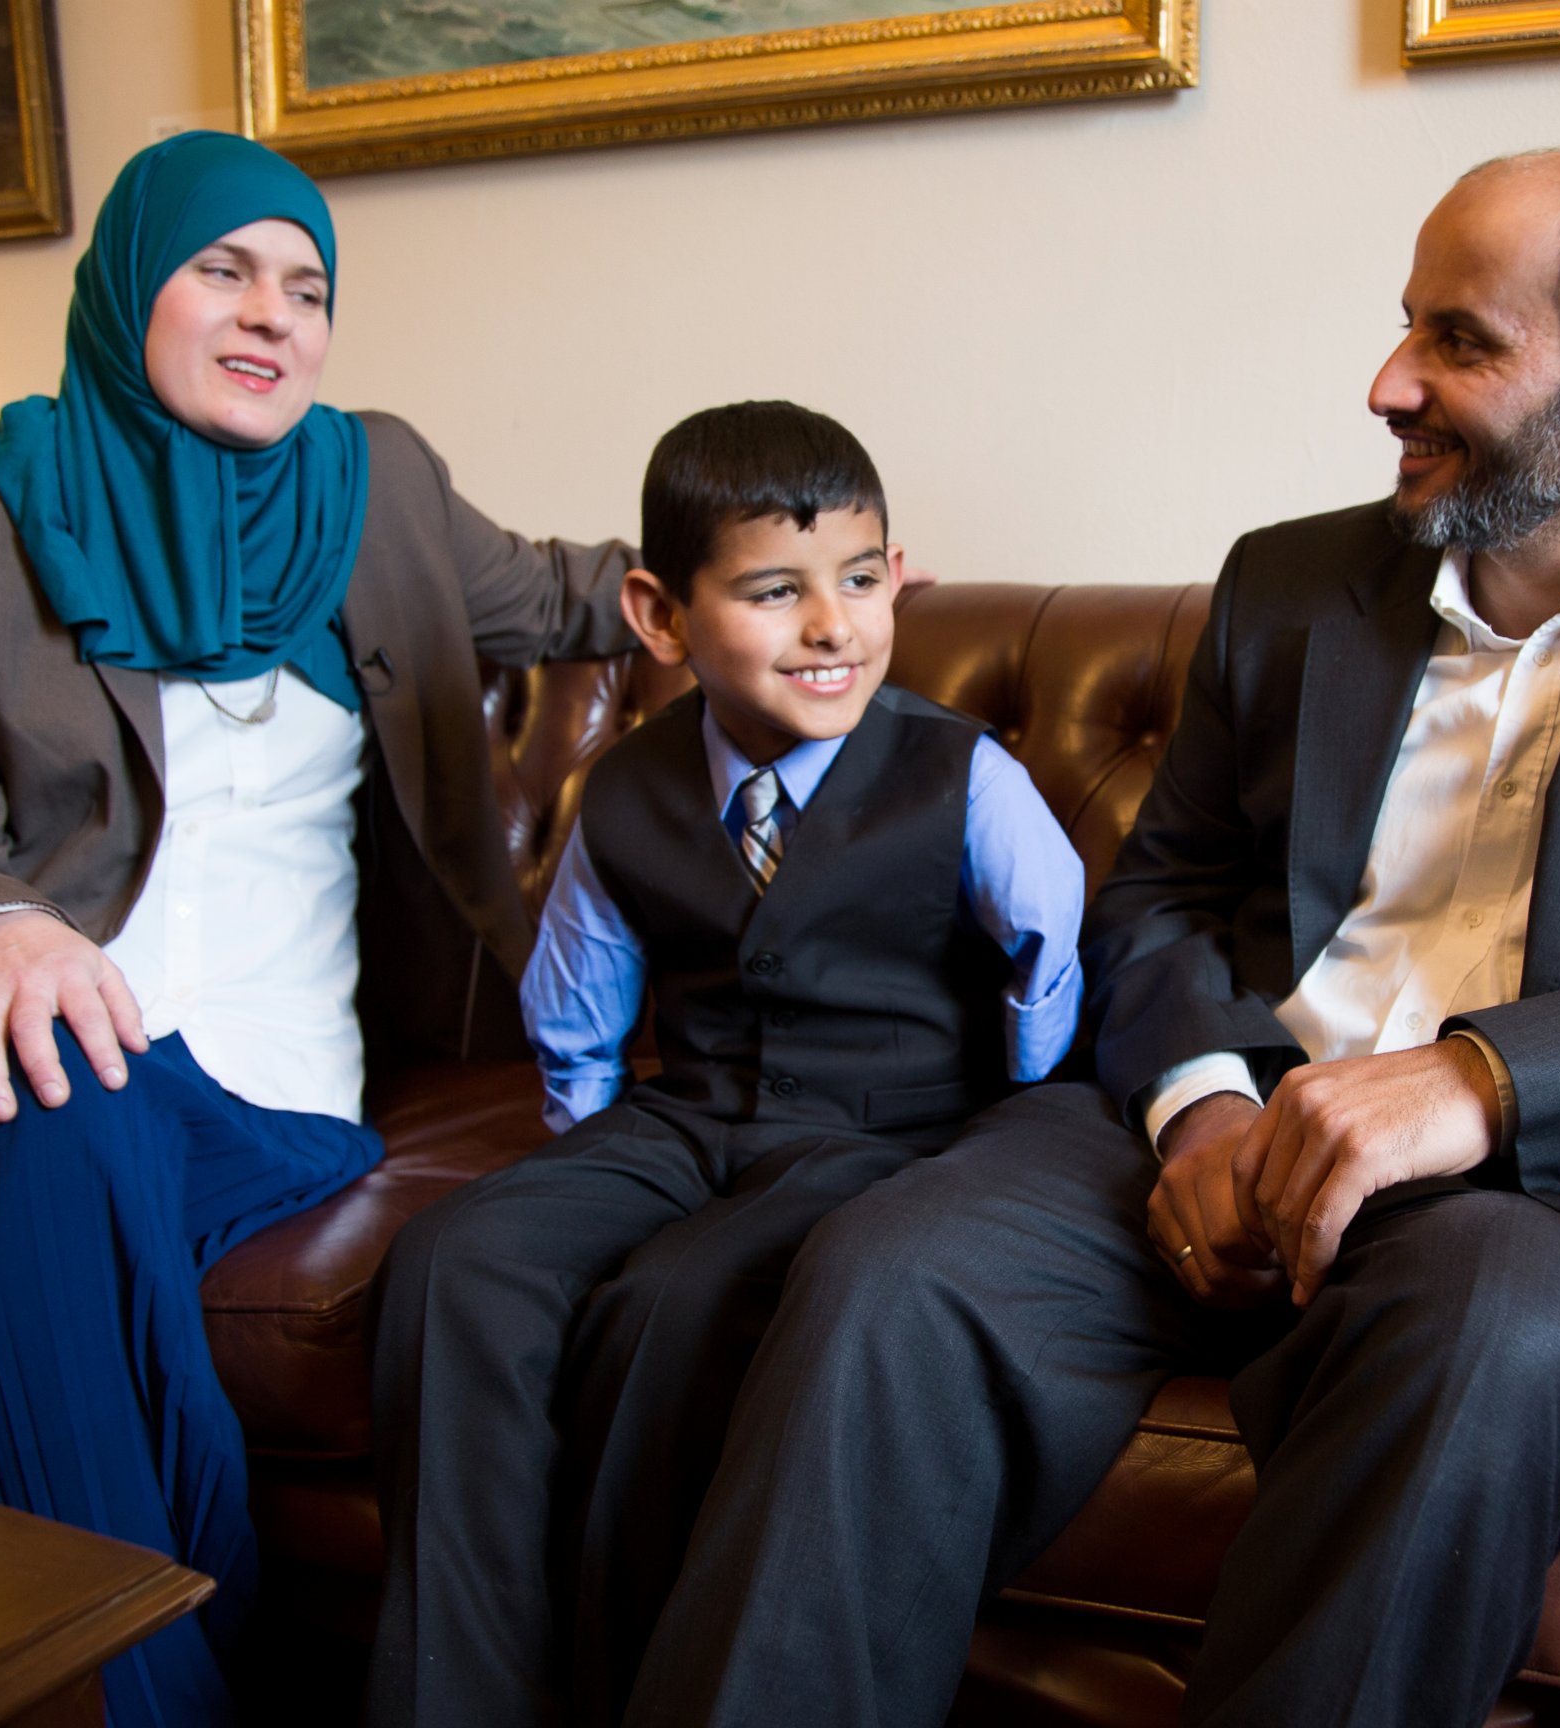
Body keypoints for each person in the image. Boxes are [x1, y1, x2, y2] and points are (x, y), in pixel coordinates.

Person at [621, 147, 1560, 1727]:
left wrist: (1478, 1080)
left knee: (1509, 1348)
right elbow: (1160, 891)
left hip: (1494, 1182)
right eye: (1406, 326)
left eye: (1459, 342)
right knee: (886, 1269)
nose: (1388, 383)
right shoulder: (1290, 580)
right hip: (1204, 1120)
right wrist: (1200, 1095)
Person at [0, 132, 638, 1726]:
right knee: (30, 1105)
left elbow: (571, 590)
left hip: (255, 1079)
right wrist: (4, 933)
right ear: (132, 283)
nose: (272, 315)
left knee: (46, 1134)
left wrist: (801, 578)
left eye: (308, 288)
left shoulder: (376, 482)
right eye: (223, 270)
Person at [366, 400, 1085, 1727]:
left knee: (684, 1301)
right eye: (775, 591)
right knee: (452, 1259)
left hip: (889, 1128)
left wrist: (1006, 1125)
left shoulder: (962, 775)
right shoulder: (626, 786)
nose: (834, 627)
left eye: (863, 581)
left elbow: (1045, 961)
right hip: (682, 1115)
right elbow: (579, 1009)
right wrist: (591, 1151)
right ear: (656, 615)